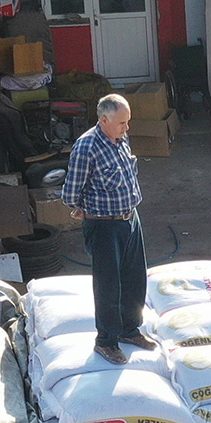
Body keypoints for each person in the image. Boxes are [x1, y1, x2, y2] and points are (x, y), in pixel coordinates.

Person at [62, 94, 154, 365]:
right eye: (122, 123)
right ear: (104, 120)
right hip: (103, 225)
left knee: (135, 279)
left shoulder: (120, 138)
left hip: (129, 219)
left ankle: (129, 330)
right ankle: (106, 341)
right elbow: (70, 193)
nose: (127, 129)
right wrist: (83, 208)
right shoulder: (86, 147)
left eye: (128, 123)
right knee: (108, 285)